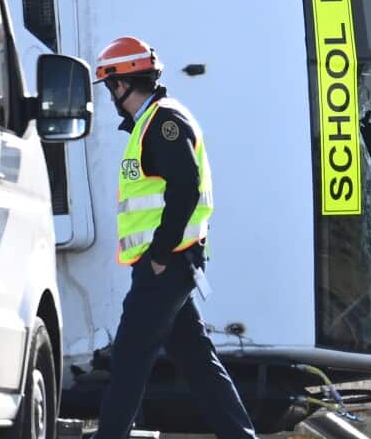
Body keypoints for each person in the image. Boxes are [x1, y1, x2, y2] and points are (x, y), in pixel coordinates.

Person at [91, 36, 257, 439]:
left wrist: (161, 253)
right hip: (170, 264)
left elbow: (186, 187)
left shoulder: (163, 124)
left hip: (166, 264)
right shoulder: (152, 123)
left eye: (111, 85)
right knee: (197, 360)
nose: (112, 95)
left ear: (122, 83)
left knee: (131, 354)